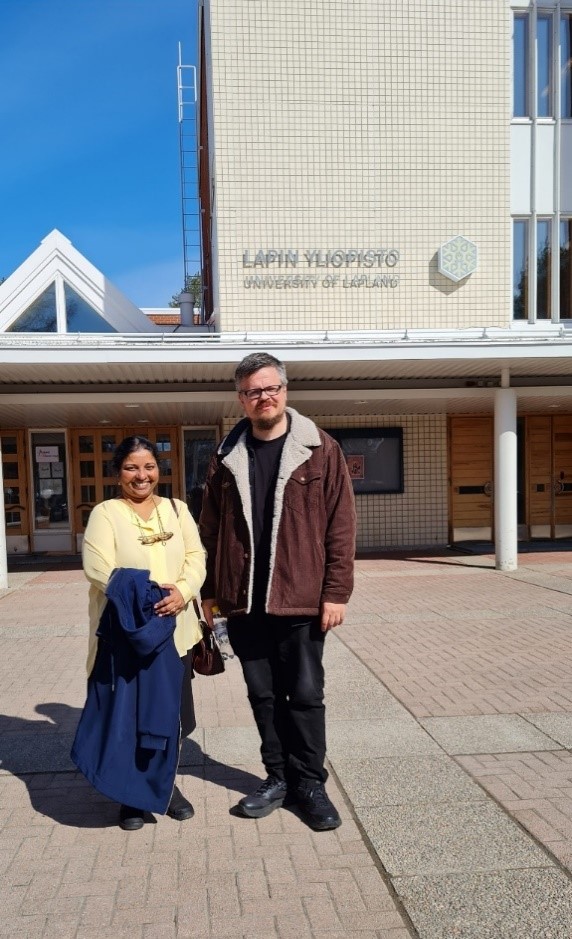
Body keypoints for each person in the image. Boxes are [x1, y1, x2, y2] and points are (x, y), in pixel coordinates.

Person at [199, 352, 356, 830]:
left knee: (305, 695)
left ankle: (309, 783)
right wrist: (209, 591)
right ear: (241, 399)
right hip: (244, 602)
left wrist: (337, 592)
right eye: (252, 391)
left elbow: (341, 526)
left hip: (303, 598)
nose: (263, 397)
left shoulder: (320, 449)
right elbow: (209, 527)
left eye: (270, 388)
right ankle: (277, 776)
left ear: (285, 391)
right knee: (262, 695)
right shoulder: (226, 457)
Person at [75, 435, 206, 831]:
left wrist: (182, 592)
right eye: (132, 467)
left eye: (148, 466)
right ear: (119, 474)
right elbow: (97, 566)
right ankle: (130, 798)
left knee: (175, 716)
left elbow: (196, 557)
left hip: (176, 633)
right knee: (129, 718)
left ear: (159, 471)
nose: (142, 475)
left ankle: (163, 786)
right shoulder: (106, 513)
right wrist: (146, 597)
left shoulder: (177, 509)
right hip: (128, 634)